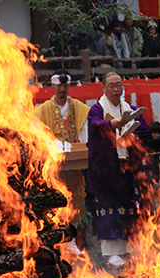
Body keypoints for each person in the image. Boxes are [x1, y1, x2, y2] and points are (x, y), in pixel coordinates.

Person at [87, 72, 150, 267]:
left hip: (127, 165)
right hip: (107, 167)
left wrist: (132, 138)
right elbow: (94, 127)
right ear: (104, 88)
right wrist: (112, 125)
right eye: (111, 86)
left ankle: (130, 247)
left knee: (130, 206)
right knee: (109, 207)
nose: (116, 89)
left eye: (119, 85)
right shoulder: (96, 109)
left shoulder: (129, 109)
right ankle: (112, 252)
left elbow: (144, 131)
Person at [34, 69, 90, 254]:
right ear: (53, 86)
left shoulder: (79, 108)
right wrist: (53, 144)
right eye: (59, 85)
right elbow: (38, 134)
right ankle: (56, 240)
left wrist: (77, 146)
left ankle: (71, 240)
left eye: (65, 85)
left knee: (76, 198)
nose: (62, 89)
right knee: (55, 200)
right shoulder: (42, 110)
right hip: (53, 163)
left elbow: (84, 132)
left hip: (73, 161)